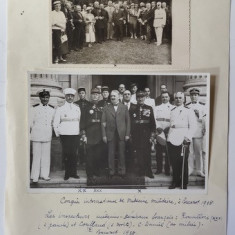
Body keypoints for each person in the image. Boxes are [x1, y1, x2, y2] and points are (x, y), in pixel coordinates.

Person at [167, 92, 196, 189]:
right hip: (172, 138)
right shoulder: (172, 110)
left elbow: (193, 126)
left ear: (184, 99)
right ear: (174, 99)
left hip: (183, 138)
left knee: (183, 161)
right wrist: (169, 138)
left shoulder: (189, 111)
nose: (178, 100)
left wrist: (187, 138)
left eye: (180, 98)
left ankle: (184, 182)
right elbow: (171, 126)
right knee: (174, 161)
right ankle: (175, 181)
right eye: (176, 98)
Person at [101, 90, 130, 178]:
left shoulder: (124, 107)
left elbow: (128, 121)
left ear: (119, 97)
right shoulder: (106, 107)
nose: (113, 97)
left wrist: (127, 134)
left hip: (121, 134)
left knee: (122, 153)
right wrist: (104, 135)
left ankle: (122, 172)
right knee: (111, 154)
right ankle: (111, 172)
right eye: (112, 96)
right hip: (110, 134)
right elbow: (103, 122)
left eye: (114, 96)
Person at [53, 88, 81, 180]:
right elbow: (55, 123)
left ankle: (74, 172)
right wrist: (58, 133)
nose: (70, 97)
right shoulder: (60, 108)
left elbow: (79, 121)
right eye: (68, 96)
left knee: (74, 154)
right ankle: (67, 173)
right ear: (65, 96)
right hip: (65, 134)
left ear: (73, 97)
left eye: (71, 96)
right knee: (66, 154)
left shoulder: (77, 108)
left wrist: (79, 133)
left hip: (75, 134)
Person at [30, 89, 55, 184]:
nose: (45, 99)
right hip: (36, 134)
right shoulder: (34, 108)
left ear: (49, 98)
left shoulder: (52, 109)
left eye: (47, 97)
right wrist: (36, 129)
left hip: (47, 134)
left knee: (46, 156)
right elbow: (30, 123)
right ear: (40, 98)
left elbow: (52, 122)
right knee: (36, 156)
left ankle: (44, 174)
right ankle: (34, 176)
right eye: (43, 97)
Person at [129, 91, 156, 178]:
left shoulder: (149, 108)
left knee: (147, 153)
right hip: (136, 134)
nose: (140, 99)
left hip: (146, 134)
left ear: (145, 98)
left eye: (142, 97)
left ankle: (148, 171)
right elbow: (130, 122)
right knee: (139, 154)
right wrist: (130, 134)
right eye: (138, 97)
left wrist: (152, 135)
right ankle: (141, 171)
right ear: (136, 98)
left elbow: (152, 123)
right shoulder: (132, 108)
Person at [84, 88, 104, 182]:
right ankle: (90, 174)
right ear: (91, 96)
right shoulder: (86, 107)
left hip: (99, 134)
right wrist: (83, 134)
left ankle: (97, 171)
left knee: (98, 155)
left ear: (99, 96)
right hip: (90, 134)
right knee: (90, 156)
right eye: (93, 94)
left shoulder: (102, 107)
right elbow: (83, 121)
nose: (95, 96)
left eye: (97, 94)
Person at [186, 88, 206, 177]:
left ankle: (199, 170)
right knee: (190, 152)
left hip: (198, 131)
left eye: (195, 95)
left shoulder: (203, 106)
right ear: (190, 96)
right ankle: (190, 169)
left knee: (198, 151)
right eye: (192, 95)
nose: (194, 96)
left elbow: (205, 119)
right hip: (189, 131)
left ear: (198, 96)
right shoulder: (186, 106)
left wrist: (199, 115)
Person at [154, 91, 174, 175]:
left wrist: (168, 128)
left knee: (168, 152)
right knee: (158, 152)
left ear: (169, 98)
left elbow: (174, 120)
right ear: (161, 98)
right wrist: (158, 128)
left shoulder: (173, 108)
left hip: (169, 131)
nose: (164, 98)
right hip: (159, 131)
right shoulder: (156, 108)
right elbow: (155, 119)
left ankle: (167, 170)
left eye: (166, 97)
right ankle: (159, 169)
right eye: (163, 97)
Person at [74, 87, 91, 166]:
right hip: (78, 125)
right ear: (78, 94)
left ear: (85, 94)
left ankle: (86, 160)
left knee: (87, 143)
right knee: (79, 144)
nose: (81, 94)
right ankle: (80, 160)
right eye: (80, 93)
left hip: (87, 126)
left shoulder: (89, 103)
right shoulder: (75, 104)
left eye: (83, 93)